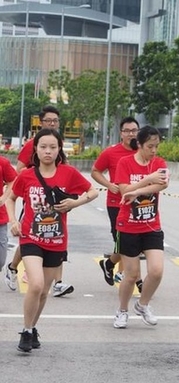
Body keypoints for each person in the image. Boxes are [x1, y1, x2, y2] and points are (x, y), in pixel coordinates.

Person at [5, 129, 98, 352]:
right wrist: (13, 221)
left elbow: (92, 192)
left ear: (59, 150)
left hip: (56, 240)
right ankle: (26, 330)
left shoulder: (68, 173)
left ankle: (32, 327)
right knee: (35, 284)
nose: (48, 151)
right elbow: (11, 198)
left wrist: (74, 203)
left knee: (44, 291)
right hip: (31, 238)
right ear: (35, 150)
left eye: (53, 147)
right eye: (43, 147)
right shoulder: (27, 175)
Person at [4, 105, 74, 297]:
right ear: (40, 122)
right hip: (35, 200)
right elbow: (19, 169)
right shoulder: (33, 145)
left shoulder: (58, 144)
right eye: (48, 120)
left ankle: (58, 282)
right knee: (30, 235)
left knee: (56, 235)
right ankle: (13, 267)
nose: (52, 123)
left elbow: (66, 170)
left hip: (56, 201)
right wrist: (36, 177)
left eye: (55, 121)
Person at [112, 125, 169, 329]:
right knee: (132, 275)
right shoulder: (125, 163)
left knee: (156, 271)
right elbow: (123, 190)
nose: (154, 151)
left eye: (156, 146)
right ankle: (122, 310)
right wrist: (148, 179)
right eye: (150, 146)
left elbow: (163, 184)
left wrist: (137, 191)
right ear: (140, 145)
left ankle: (142, 305)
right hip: (128, 225)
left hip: (151, 225)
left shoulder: (159, 163)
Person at [91, 117, 140, 287]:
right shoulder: (111, 153)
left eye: (134, 131)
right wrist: (109, 185)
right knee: (123, 241)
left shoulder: (142, 151)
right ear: (121, 133)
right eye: (127, 131)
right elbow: (95, 171)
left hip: (140, 204)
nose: (131, 134)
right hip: (116, 204)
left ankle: (110, 264)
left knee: (134, 242)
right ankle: (137, 280)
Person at [0, 157, 17, 273]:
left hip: (0, 217)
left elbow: (13, 180)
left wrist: (4, 197)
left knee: (0, 260)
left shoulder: (2, 162)